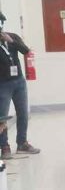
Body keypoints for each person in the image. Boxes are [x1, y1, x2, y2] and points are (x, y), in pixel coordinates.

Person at [0, 12, 40, 159]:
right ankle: (4, 147)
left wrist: (11, 41)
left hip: (19, 81)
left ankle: (22, 143)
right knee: (2, 117)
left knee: (23, 113)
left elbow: (26, 51)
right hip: (2, 84)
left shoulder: (13, 36)